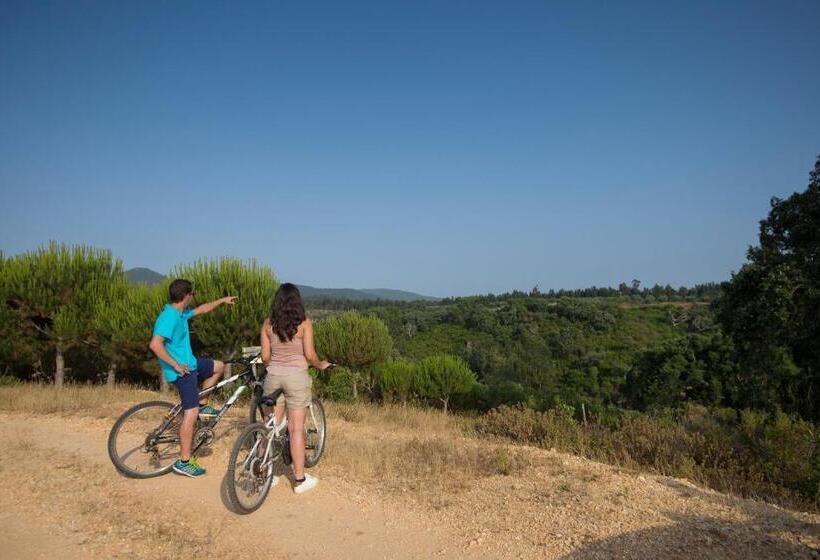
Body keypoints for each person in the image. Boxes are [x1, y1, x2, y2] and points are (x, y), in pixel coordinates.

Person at [148, 278, 237, 477]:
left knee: (219, 367)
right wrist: (175, 365)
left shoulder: (179, 313)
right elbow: (155, 344)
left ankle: (203, 404)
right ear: (186, 296)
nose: (193, 298)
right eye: (192, 294)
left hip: (192, 364)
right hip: (182, 372)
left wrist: (222, 300)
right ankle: (184, 461)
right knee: (190, 413)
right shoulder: (169, 317)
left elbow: (202, 309)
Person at [261, 283, 331, 494]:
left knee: (269, 427)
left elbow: (265, 357)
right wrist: (320, 364)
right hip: (296, 379)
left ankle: (267, 474)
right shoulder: (304, 324)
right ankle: (299, 480)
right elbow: (310, 355)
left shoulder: (267, 324)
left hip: (273, 377)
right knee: (295, 429)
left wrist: (274, 368)